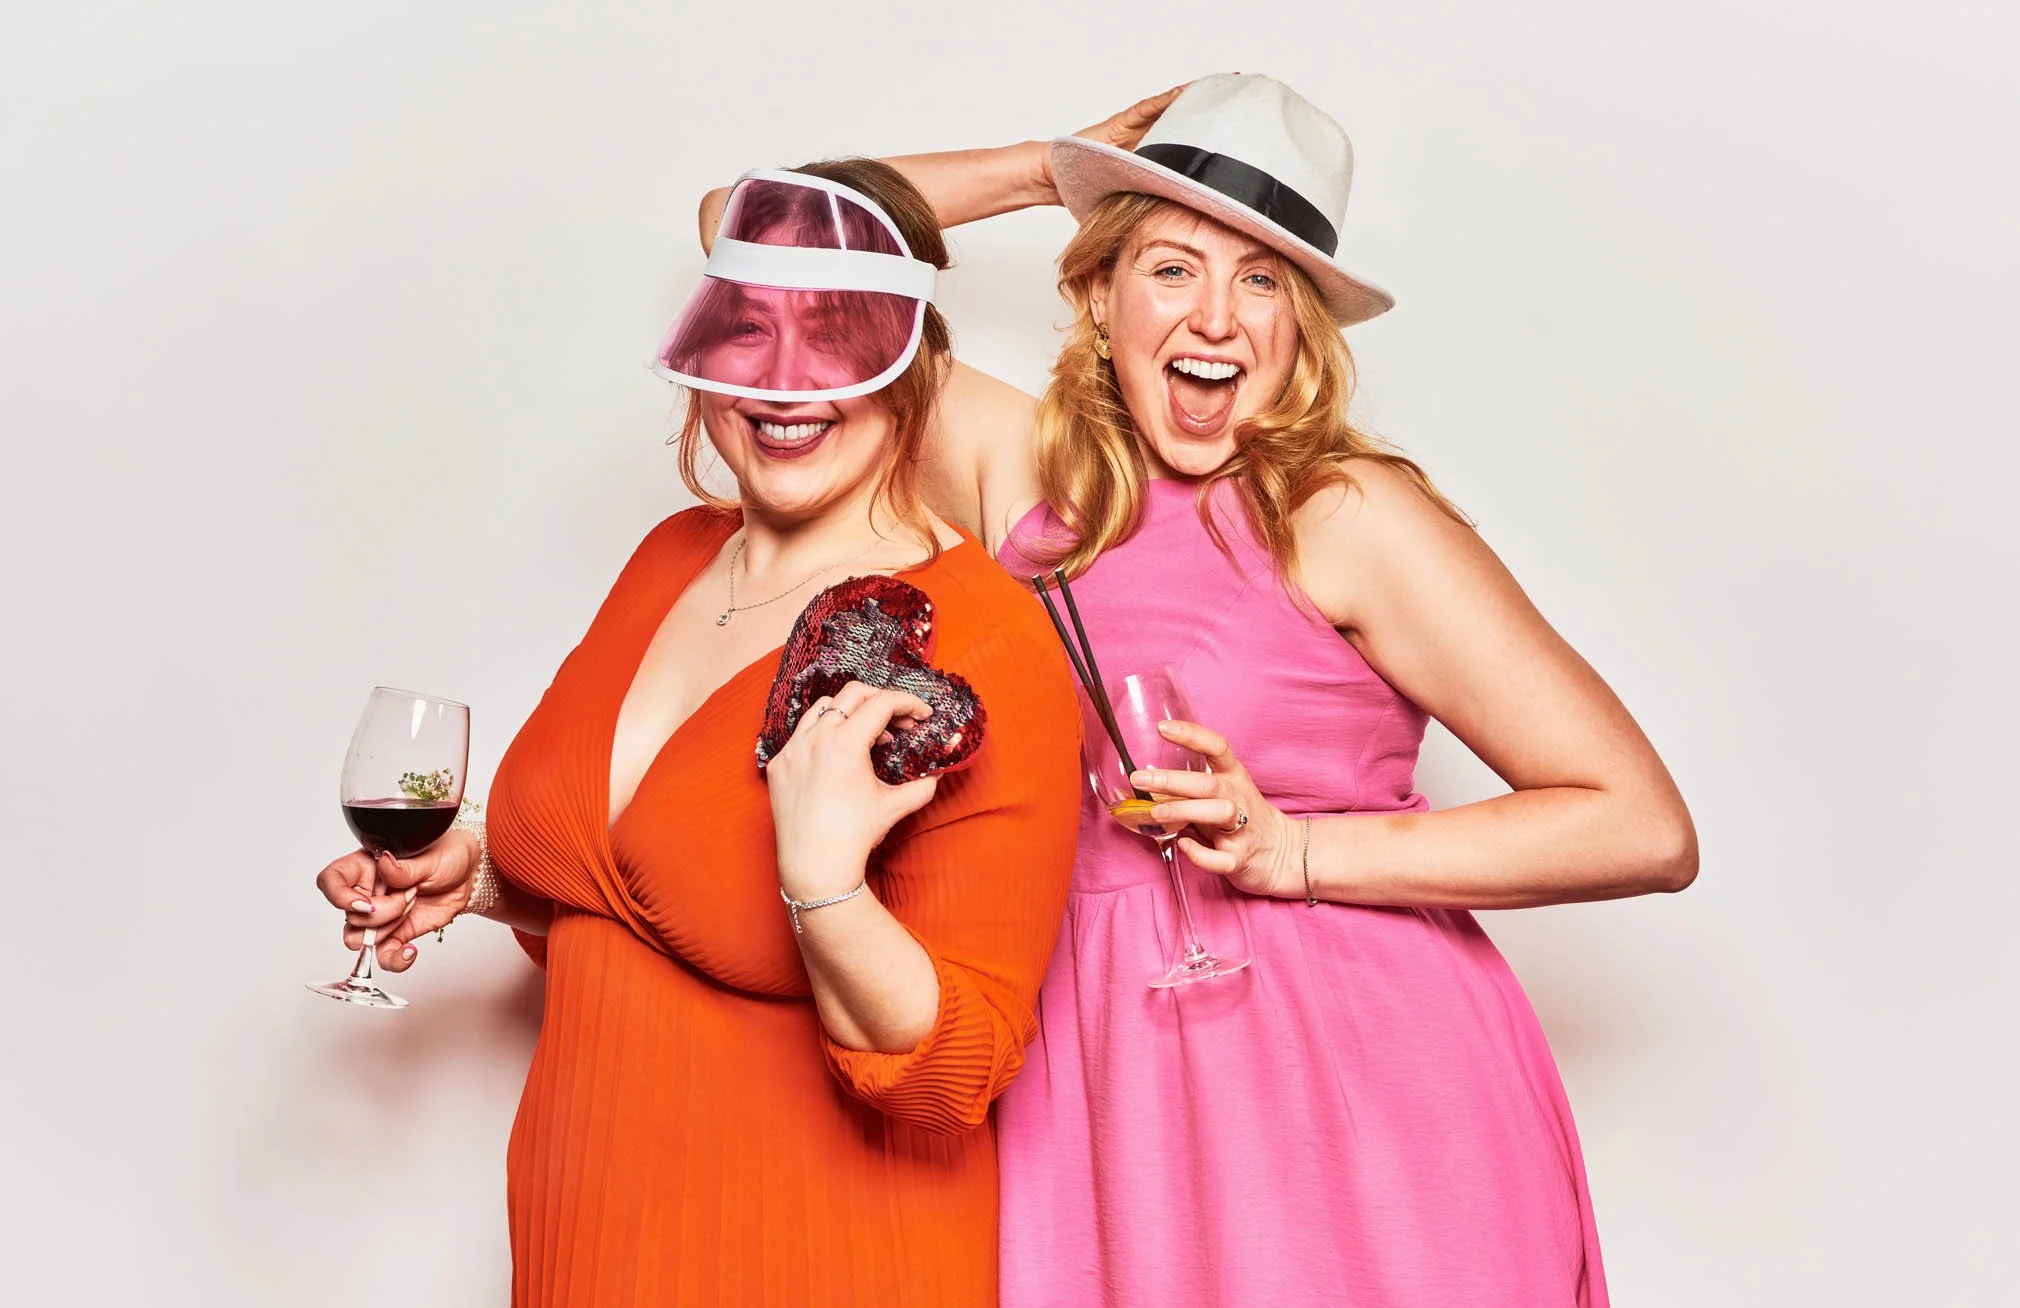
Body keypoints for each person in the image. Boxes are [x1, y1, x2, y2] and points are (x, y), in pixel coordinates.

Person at [721, 75, 1697, 1307]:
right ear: (1098, 293)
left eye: (1263, 281)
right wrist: (1048, 169)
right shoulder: (1027, 483)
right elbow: (768, 251)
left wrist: (1294, 851)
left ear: (1301, 328)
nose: (1217, 318)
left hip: (1352, 1079)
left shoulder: (1340, 513)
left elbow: (1640, 824)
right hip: (1101, 1077)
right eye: (1172, 267)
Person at [314, 160, 1083, 1307]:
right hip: (585, 1240)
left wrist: (823, 879)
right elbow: (640, 891)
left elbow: (959, 1069)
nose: (784, 385)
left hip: (815, 1255)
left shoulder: (983, 639)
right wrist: (475, 875)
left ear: (913, 366)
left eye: (838, 339)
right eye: (750, 332)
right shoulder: (671, 555)